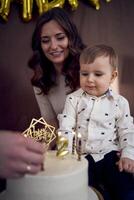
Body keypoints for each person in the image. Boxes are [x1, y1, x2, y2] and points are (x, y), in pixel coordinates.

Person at [58, 44, 134, 200]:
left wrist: (128, 155)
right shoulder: (73, 99)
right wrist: (63, 155)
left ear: (112, 77)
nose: (89, 79)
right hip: (82, 157)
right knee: (82, 192)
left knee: (126, 191)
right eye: (84, 73)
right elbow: (65, 127)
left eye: (98, 74)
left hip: (110, 155)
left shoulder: (120, 102)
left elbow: (127, 130)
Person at [28, 7, 85, 130]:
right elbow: (51, 126)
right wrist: (38, 148)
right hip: (67, 145)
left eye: (60, 38)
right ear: (40, 45)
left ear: (71, 38)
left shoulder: (90, 68)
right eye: (45, 40)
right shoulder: (40, 80)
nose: (53, 46)